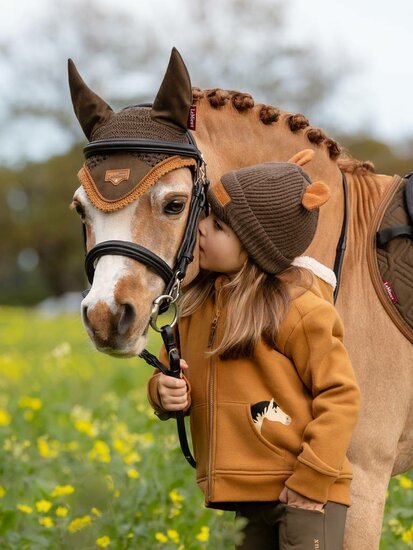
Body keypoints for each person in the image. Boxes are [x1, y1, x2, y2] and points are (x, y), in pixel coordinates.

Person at [147, 161, 361, 550]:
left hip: (306, 495)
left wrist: (311, 482)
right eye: (206, 214)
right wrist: (162, 393)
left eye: (220, 226)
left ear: (256, 247)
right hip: (248, 495)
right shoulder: (194, 306)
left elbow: (341, 398)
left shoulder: (299, 310)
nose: (201, 226)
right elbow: (171, 371)